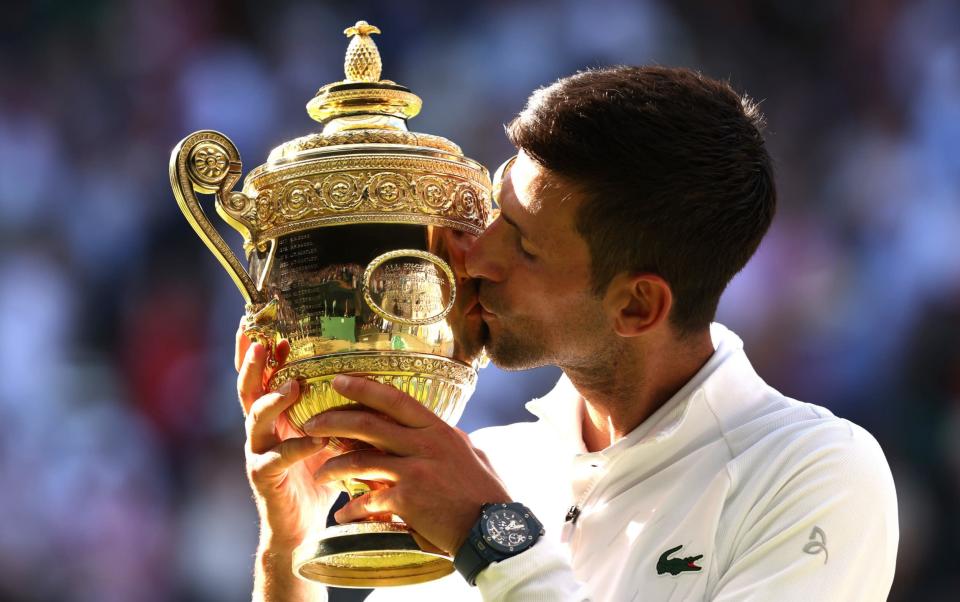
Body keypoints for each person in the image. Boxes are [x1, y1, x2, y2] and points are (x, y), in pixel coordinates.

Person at [236, 66, 898, 601]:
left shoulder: (814, 474)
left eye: (522, 246)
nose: (473, 255)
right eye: (495, 209)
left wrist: (490, 538)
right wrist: (288, 546)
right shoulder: (486, 468)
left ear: (638, 306)